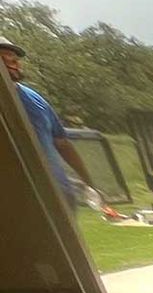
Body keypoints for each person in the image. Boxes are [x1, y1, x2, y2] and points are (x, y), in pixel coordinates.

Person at [1, 34, 95, 207]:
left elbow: (62, 143)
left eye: (13, 57)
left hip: (58, 197)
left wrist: (88, 181)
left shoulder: (35, 99)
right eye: (3, 57)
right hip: (17, 202)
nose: (12, 61)